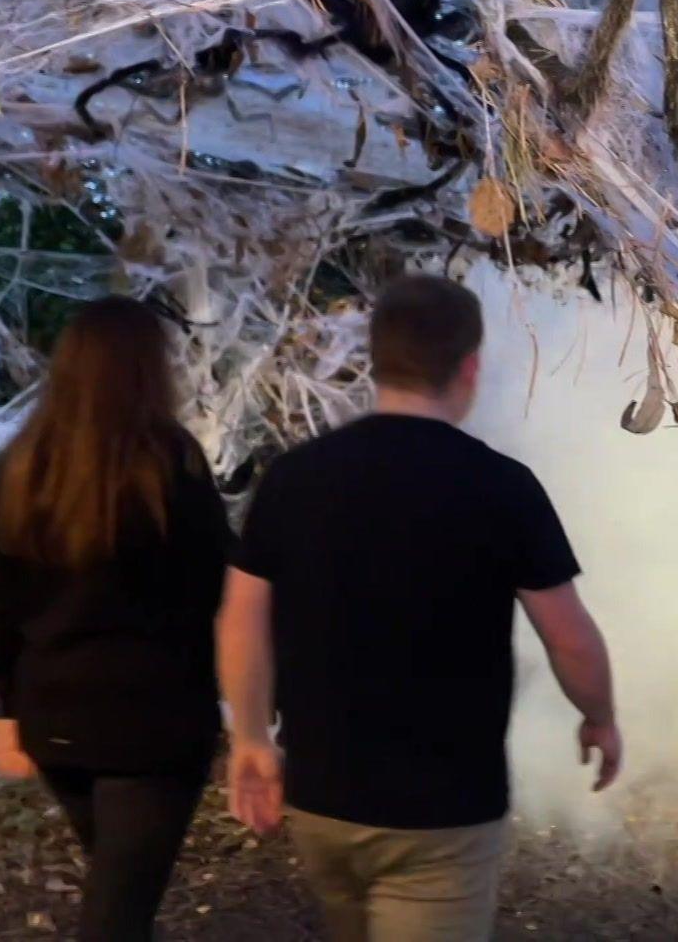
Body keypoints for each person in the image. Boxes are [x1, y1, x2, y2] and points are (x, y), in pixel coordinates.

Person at [217, 274, 619, 942]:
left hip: (323, 800)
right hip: (445, 813)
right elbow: (569, 636)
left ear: (377, 363)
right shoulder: (503, 488)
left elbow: (241, 617)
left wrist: (253, 739)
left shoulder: (294, 477)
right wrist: (600, 718)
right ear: (469, 367)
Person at [0, 296, 233, 942]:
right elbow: (215, 586)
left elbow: (3, 606)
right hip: (152, 727)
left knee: (120, 888)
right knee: (117, 913)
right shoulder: (169, 464)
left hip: (55, 719)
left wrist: (7, 710)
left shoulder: (20, 467)